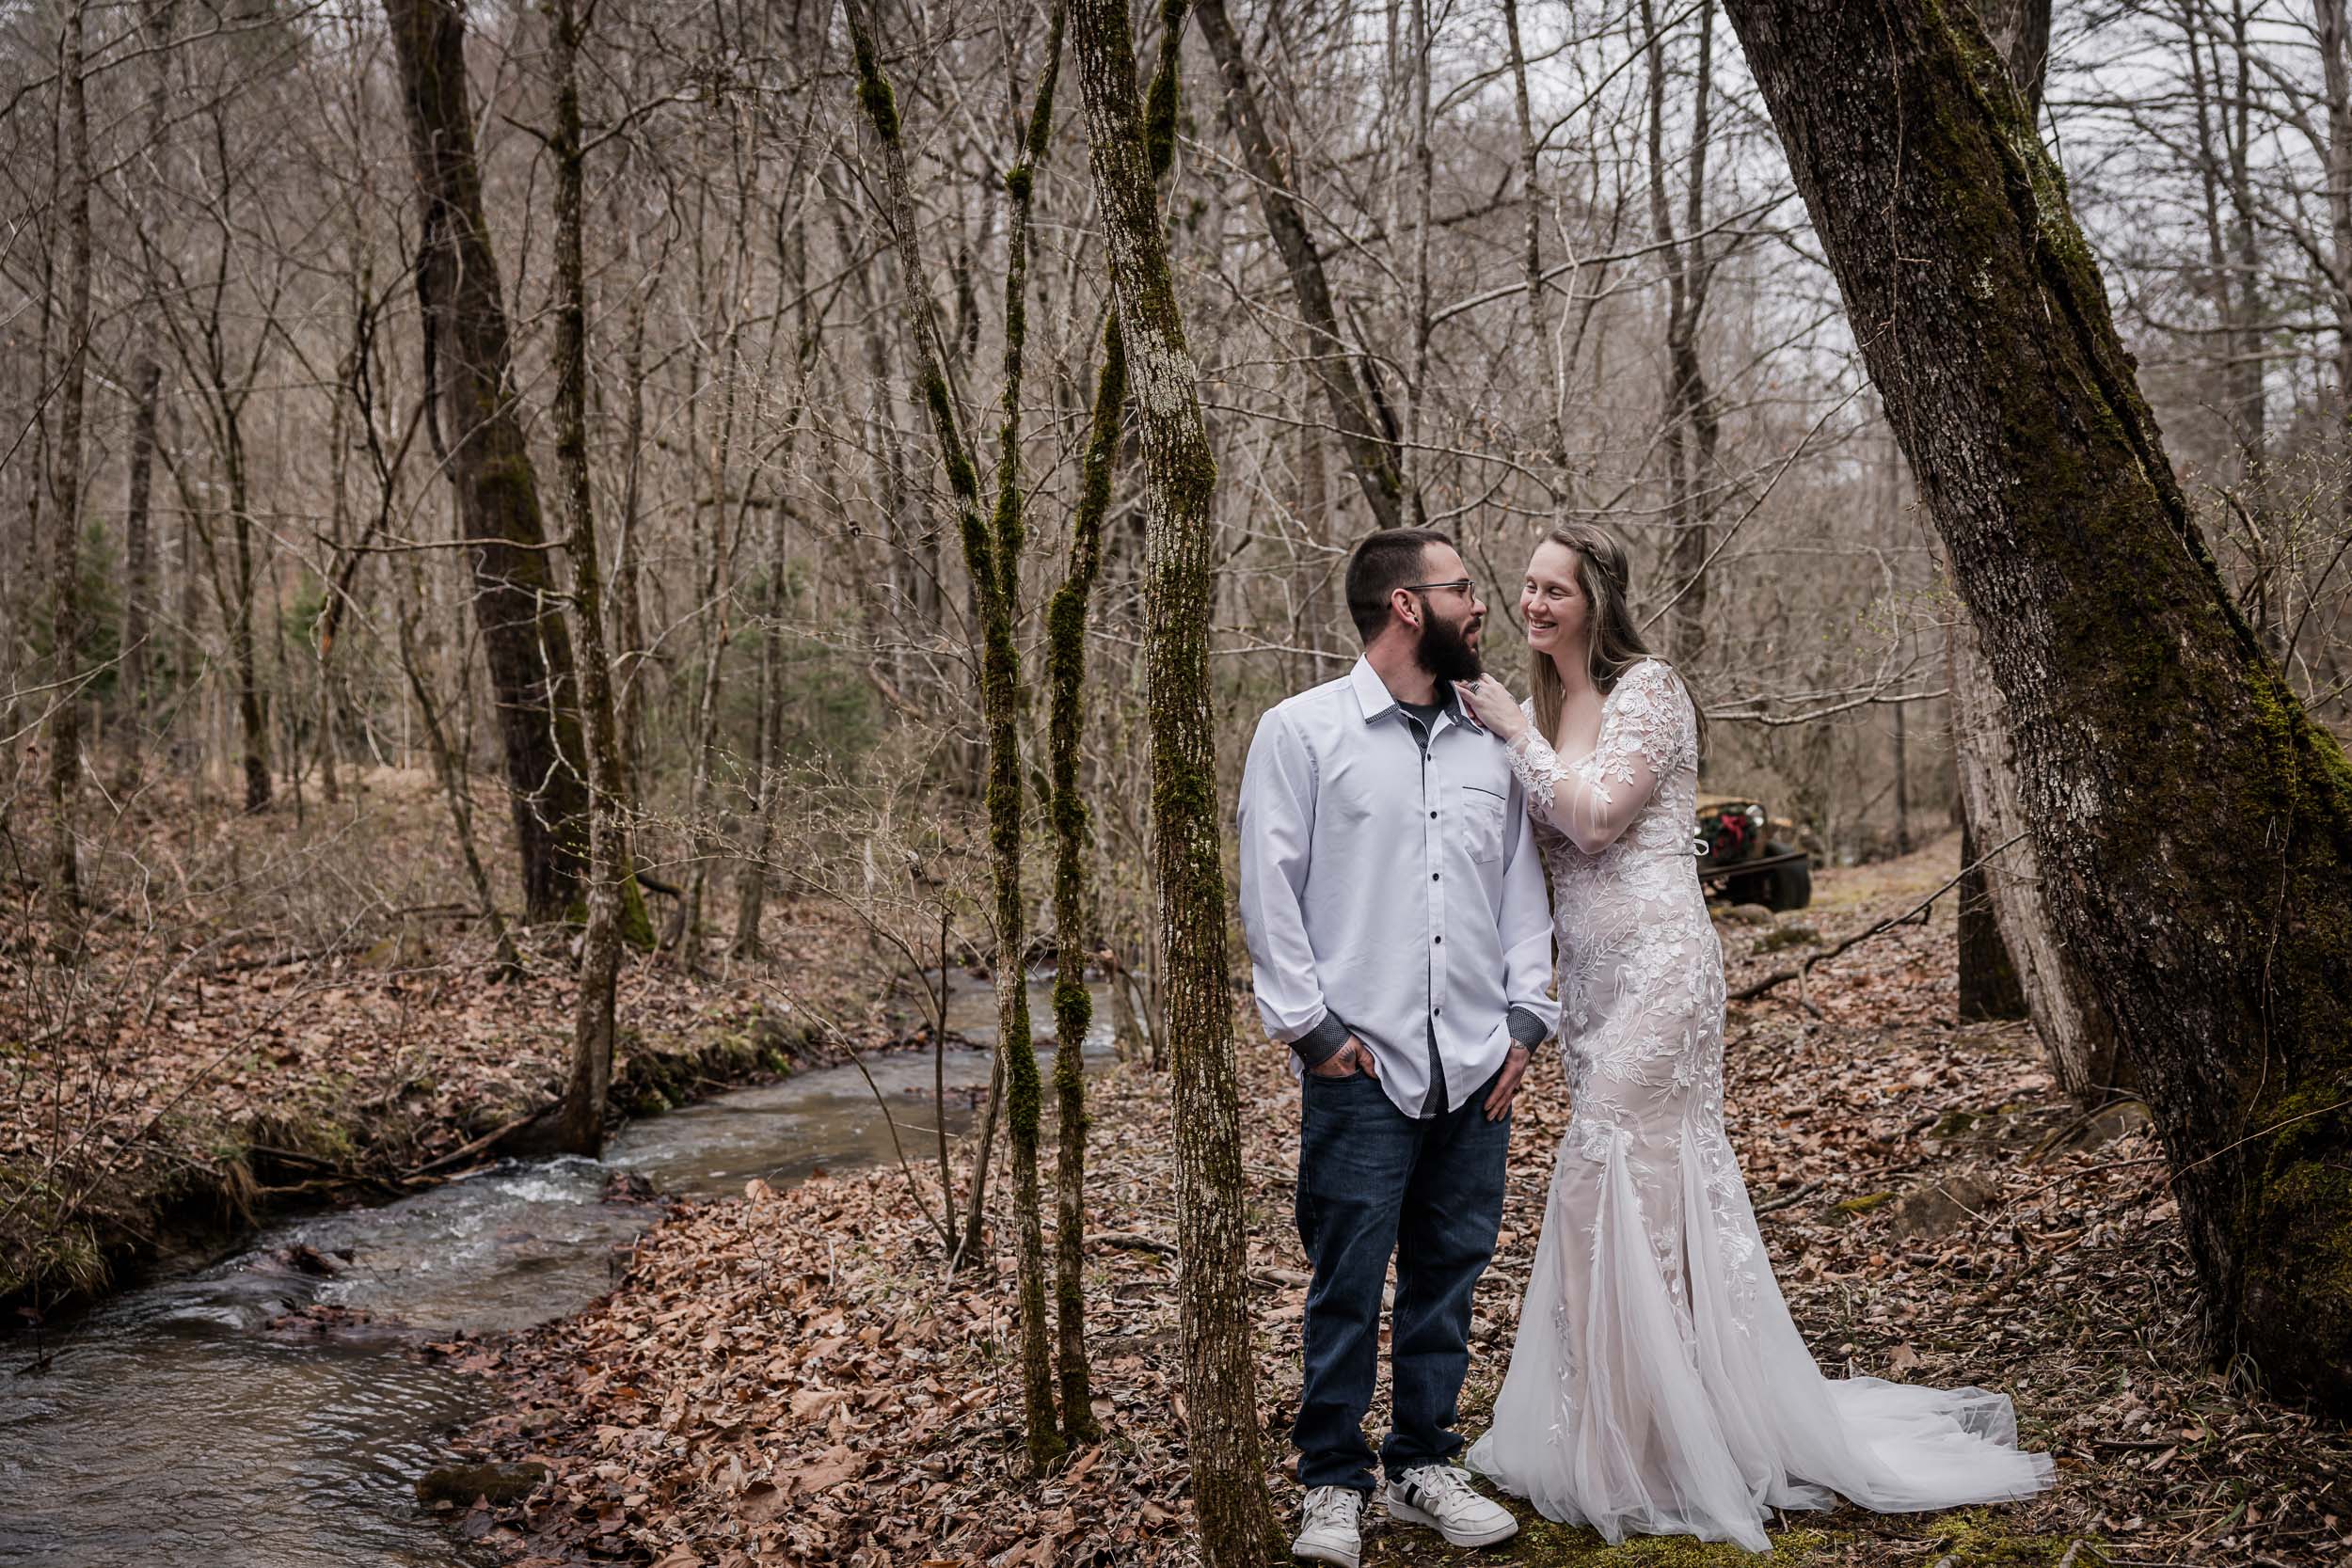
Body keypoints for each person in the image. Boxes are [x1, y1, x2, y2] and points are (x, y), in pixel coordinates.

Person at [1450, 522, 2055, 1552]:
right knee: (1625, 1183)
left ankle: (1658, 1439)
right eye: (1526, 585)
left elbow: (1594, 821)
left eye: (1554, 589)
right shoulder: (1551, 703)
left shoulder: (1649, 688)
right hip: (1591, 983)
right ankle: (1629, 1419)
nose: (1533, 603)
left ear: (1596, 599)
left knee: (1606, 1170)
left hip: (1662, 973)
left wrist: (1510, 730)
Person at [1237, 529, 1558, 1568]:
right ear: (1407, 607)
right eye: (1463, 588)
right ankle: (1330, 1481)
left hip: (1476, 1059)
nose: (1483, 606)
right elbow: (1268, 892)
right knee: (1345, 1276)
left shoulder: (1487, 741)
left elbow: (1520, 889)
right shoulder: (1300, 732)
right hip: (1359, 1065)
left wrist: (1525, 1017)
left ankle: (1423, 1462)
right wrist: (1312, 1029)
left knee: (1448, 1273)